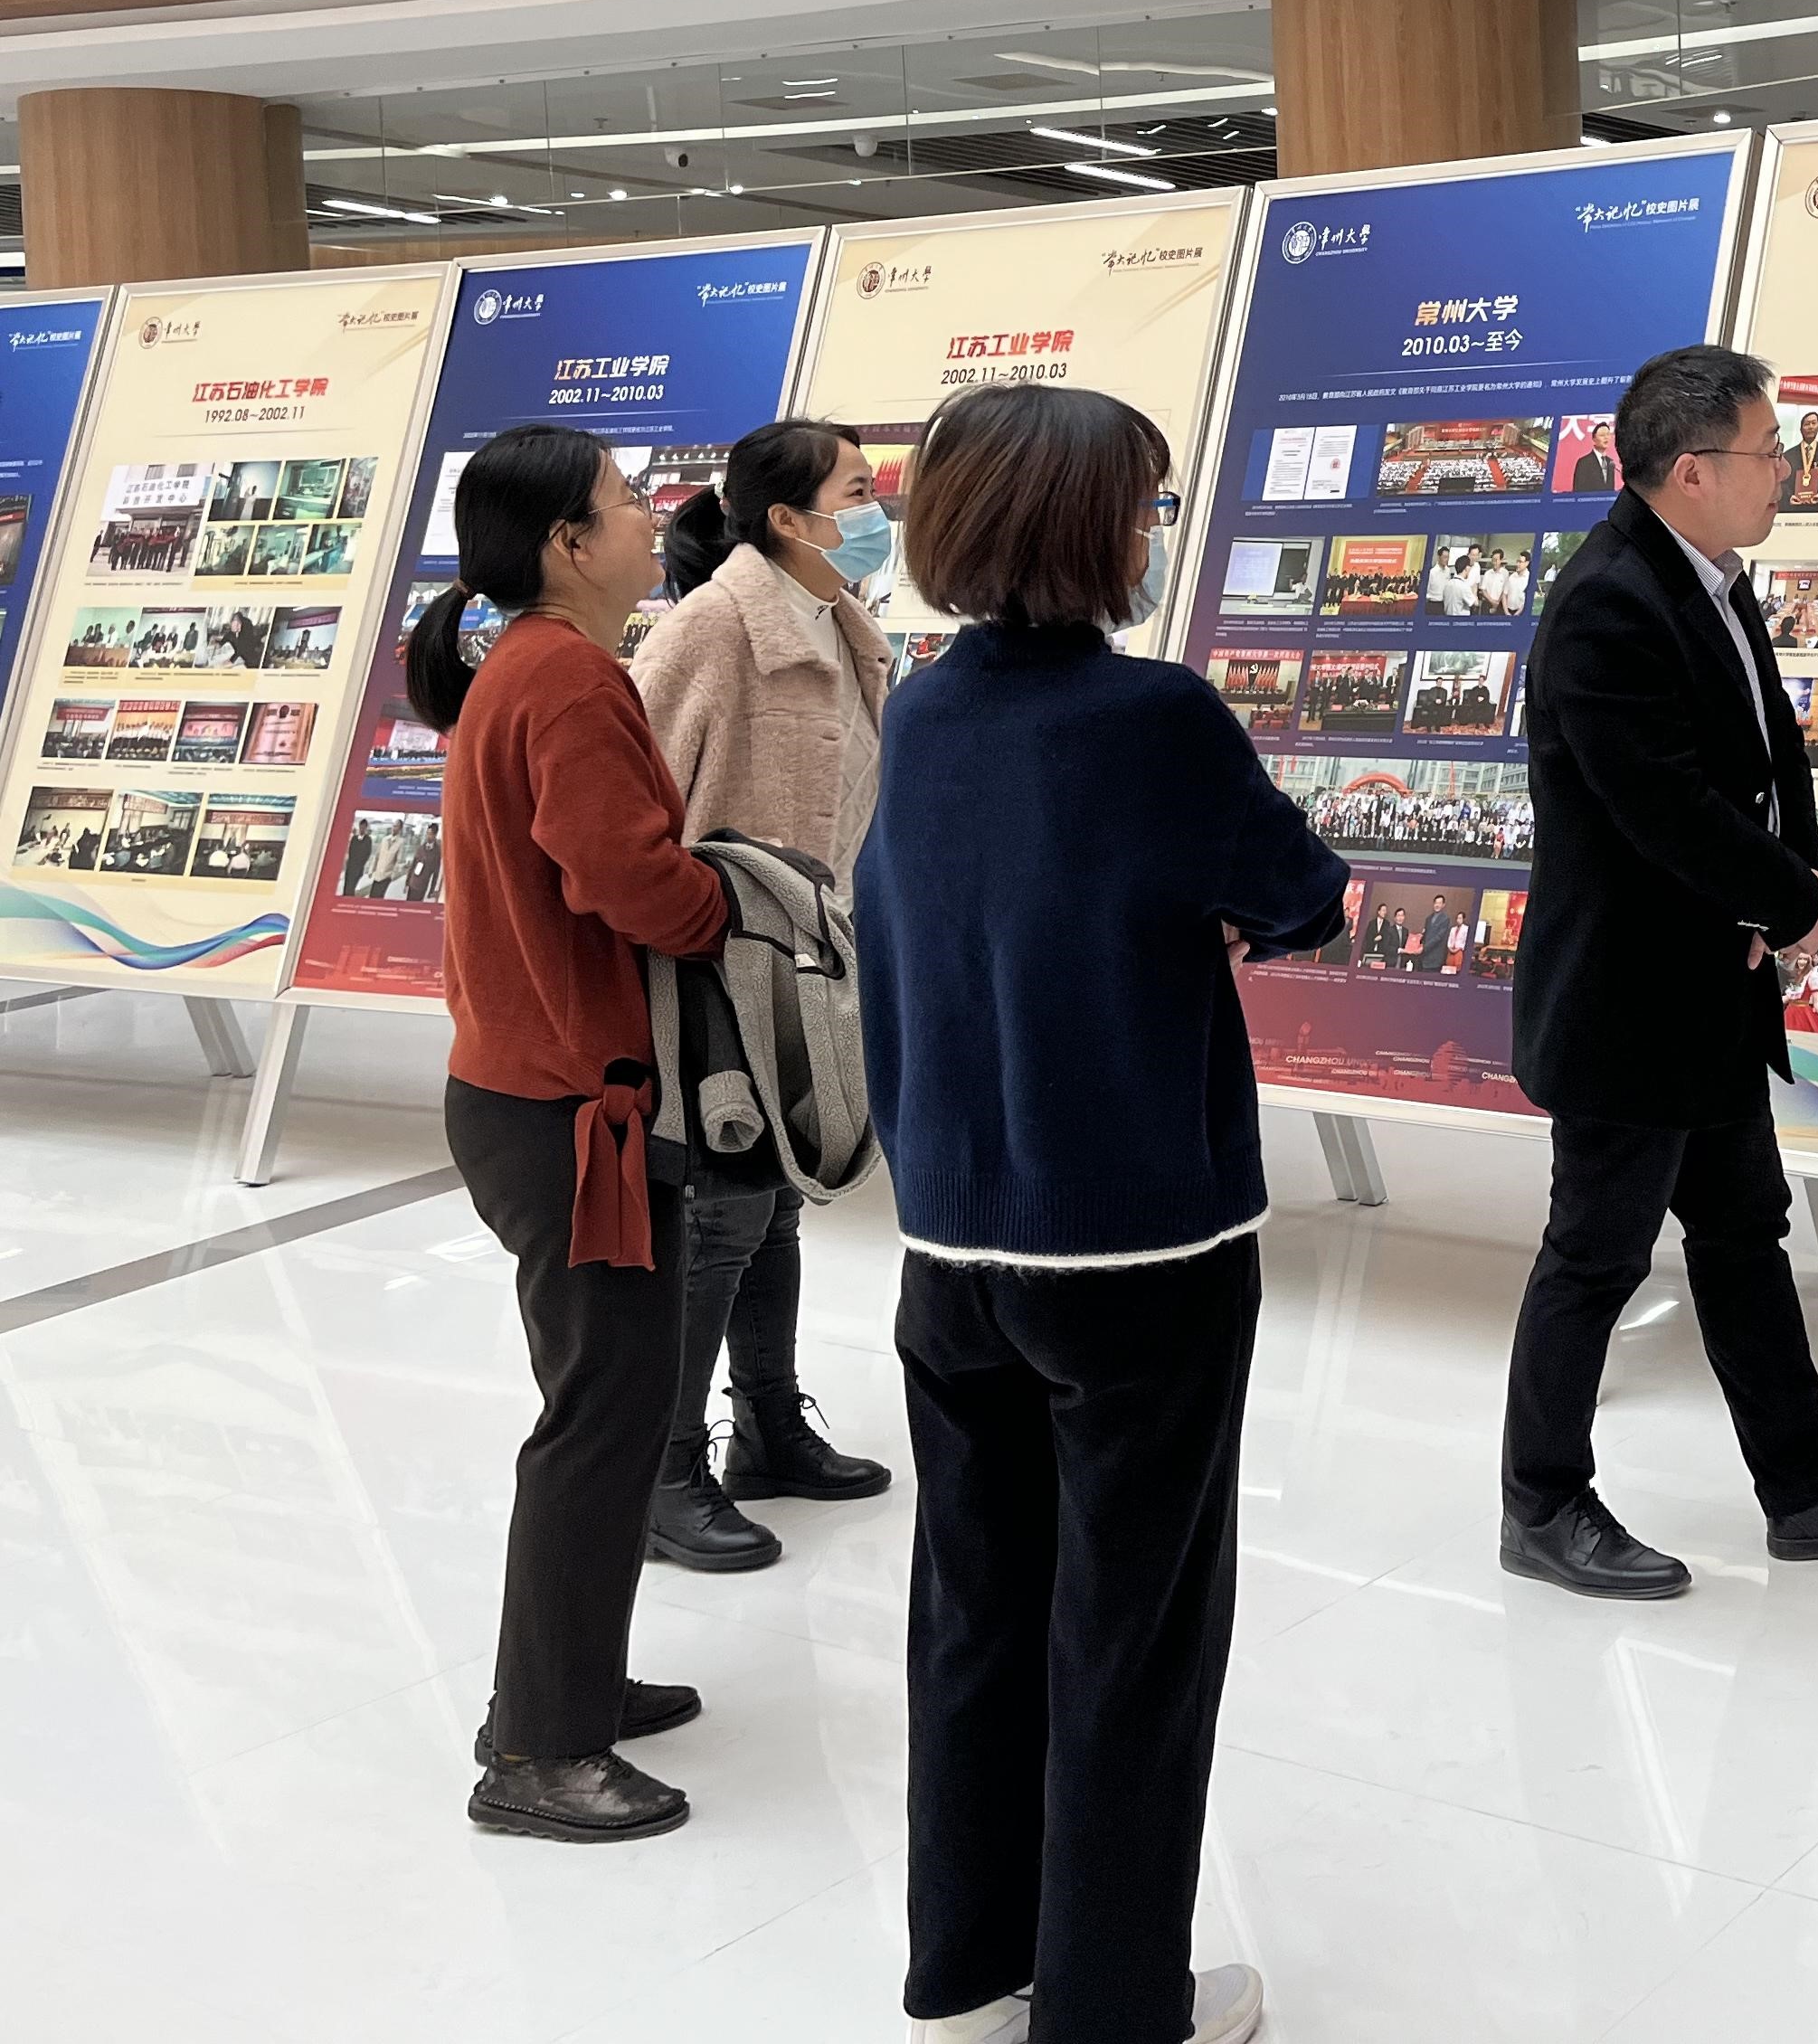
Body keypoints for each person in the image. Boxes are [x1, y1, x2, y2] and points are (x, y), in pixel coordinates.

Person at [857, 383, 1347, 2044]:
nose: (1150, 530)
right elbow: (1302, 892)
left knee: (974, 1611)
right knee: (1134, 1635)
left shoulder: (922, 709)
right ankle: (1114, 2006)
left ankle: (966, 1971)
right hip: (1139, 1243)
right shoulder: (1157, 717)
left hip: (952, 1238)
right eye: (1142, 504)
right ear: (1092, 526)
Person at [1504, 345, 1818, 1597]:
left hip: (1709, 992)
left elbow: (1766, 761)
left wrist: (1790, 885)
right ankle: (1541, 1504)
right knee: (1596, 1256)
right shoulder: (1609, 601)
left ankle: (1806, 1487)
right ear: (1693, 470)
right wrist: (1791, 898)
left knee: (1741, 1233)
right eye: (1771, 454)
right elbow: (1660, 805)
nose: (1788, 473)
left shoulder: (1709, 578)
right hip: (1626, 1005)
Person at [420, 425, 733, 1845]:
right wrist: (735, 907)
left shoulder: (530, 665)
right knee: (601, 1418)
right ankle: (538, 1752)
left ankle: (568, 1680)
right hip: (569, 1114)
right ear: (566, 543)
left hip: (532, 1095)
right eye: (624, 502)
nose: (648, 517)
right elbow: (628, 879)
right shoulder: (565, 676)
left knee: (606, 1402)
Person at [628, 420, 897, 1574]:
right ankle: (663, 1469)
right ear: (788, 517)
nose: (878, 510)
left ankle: (770, 1427)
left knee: (777, 1197)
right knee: (722, 1209)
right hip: (716, 963)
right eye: (859, 490)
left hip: (808, 960)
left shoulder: (844, 623)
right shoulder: (712, 626)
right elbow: (634, 799)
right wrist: (699, 927)